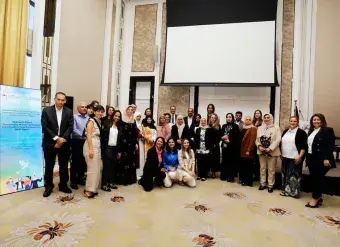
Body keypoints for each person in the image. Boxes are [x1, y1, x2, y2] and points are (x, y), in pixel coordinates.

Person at [41, 92, 74, 197]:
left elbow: (70, 127)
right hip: (49, 142)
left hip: (64, 143)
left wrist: (62, 139)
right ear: (55, 99)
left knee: (64, 165)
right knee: (49, 166)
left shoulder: (69, 111)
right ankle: (48, 186)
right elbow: (45, 126)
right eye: (58, 99)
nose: (60, 102)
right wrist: (56, 138)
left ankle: (63, 185)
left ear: (65, 101)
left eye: (62, 100)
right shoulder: (46, 110)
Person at [305, 113, 335, 208]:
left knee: (317, 179)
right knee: (314, 179)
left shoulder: (327, 130)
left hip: (321, 159)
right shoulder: (311, 131)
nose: (316, 121)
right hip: (311, 158)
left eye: (318, 119)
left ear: (322, 121)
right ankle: (319, 197)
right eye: (314, 120)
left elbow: (330, 146)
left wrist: (326, 158)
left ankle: (315, 199)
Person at [280, 116, 307, 198]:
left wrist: (300, 156)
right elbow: (281, 143)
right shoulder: (285, 131)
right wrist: (281, 153)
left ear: (297, 122)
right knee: (285, 175)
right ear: (289, 122)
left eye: (295, 121)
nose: (292, 123)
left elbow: (304, 146)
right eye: (291, 121)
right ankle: (286, 191)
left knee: (294, 176)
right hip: (285, 156)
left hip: (295, 157)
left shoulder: (301, 132)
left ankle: (294, 193)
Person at [256, 113, 281, 193]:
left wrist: (270, 148)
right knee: (262, 168)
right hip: (261, 151)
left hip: (272, 152)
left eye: (268, 117)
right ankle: (263, 184)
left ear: (271, 118)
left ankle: (270, 185)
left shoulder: (276, 127)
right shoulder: (260, 128)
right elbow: (256, 139)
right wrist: (259, 146)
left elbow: (278, 139)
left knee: (271, 170)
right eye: (265, 118)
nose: (266, 119)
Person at [83, 105, 105, 198]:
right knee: (92, 168)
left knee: (98, 167)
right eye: (98, 111)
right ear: (94, 112)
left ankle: (93, 188)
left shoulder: (99, 122)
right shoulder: (91, 121)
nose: (100, 113)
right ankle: (88, 190)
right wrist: (91, 149)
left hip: (97, 145)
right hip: (90, 145)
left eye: (101, 111)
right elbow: (88, 135)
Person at [101, 110, 122, 192]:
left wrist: (119, 151)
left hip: (115, 149)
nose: (117, 117)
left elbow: (120, 140)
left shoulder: (119, 126)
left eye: (119, 116)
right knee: (106, 167)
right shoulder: (107, 124)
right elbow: (102, 137)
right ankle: (104, 184)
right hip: (107, 148)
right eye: (116, 115)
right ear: (113, 115)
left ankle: (111, 182)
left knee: (113, 167)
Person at [117, 105, 139, 185]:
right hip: (124, 144)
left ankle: (131, 180)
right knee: (124, 161)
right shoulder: (122, 120)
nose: (130, 110)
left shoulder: (134, 120)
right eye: (128, 109)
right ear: (126, 111)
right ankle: (124, 180)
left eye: (131, 109)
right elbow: (120, 133)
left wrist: (136, 143)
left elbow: (135, 133)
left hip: (132, 144)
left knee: (131, 161)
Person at [70, 102, 89, 190]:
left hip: (86, 142)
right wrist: (83, 136)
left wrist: (87, 136)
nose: (84, 108)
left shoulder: (89, 118)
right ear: (78, 108)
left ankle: (80, 179)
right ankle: (73, 181)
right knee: (75, 161)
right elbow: (73, 129)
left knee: (83, 161)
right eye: (82, 107)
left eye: (85, 107)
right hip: (76, 141)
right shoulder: (74, 117)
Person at [220, 113, 240, 182]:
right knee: (224, 161)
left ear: (232, 118)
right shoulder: (223, 126)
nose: (228, 118)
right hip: (224, 146)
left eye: (230, 117)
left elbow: (237, 137)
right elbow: (221, 135)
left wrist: (230, 141)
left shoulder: (235, 126)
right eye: (227, 117)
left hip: (232, 147)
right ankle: (224, 176)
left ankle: (231, 177)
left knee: (231, 162)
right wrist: (222, 137)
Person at [239, 116, 257, 186]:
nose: (248, 121)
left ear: (251, 121)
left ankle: (248, 182)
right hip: (242, 150)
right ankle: (243, 180)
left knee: (248, 167)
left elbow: (252, 140)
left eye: (249, 120)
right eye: (246, 119)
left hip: (248, 150)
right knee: (243, 166)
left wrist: (249, 149)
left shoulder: (253, 128)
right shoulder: (243, 128)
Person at [195, 116, 213, 181]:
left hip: (206, 148)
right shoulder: (197, 129)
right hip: (199, 148)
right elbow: (196, 139)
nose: (203, 122)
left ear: (206, 122)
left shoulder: (209, 129)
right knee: (199, 162)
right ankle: (199, 175)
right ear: (200, 122)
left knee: (205, 162)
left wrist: (210, 148)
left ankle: (204, 176)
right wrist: (195, 148)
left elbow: (211, 140)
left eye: (204, 121)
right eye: (202, 121)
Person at [209, 113, 221, 178]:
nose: (213, 119)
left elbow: (219, 136)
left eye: (214, 118)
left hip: (215, 145)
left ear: (216, 119)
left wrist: (215, 144)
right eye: (212, 117)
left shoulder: (218, 126)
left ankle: (213, 172)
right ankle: (209, 171)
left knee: (214, 159)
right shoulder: (208, 125)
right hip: (209, 145)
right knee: (209, 159)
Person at [252, 109, 263, 181]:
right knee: (253, 159)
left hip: (259, 142)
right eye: (256, 113)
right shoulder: (252, 122)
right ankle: (254, 174)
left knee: (258, 160)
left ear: (260, 114)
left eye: (258, 113)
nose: (257, 114)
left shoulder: (262, 122)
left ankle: (258, 176)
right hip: (252, 142)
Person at [134, 112, 144, 179]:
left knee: (141, 157)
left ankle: (141, 173)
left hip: (141, 142)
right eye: (137, 116)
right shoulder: (133, 124)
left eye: (140, 116)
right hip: (136, 142)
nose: (139, 118)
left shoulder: (141, 124)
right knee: (137, 157)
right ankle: (136, 174)